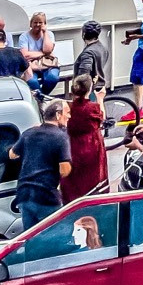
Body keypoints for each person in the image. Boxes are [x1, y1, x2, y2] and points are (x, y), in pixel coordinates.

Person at [8, 98, 72, 233]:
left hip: (24, 194)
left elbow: (12, 154)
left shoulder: (29, 133)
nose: (69, 116)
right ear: (58, 114)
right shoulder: (60, 137)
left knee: (31, 237)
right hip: (45, 195)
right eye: (67, 112)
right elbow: (64, 170)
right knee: (54, 236)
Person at [61, 75, 106, 203]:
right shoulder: (92, 108)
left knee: (74, 179)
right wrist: (100, 99)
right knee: (93, 178)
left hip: (73, 146)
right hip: (92, 146)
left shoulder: (68, 107)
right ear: (89, 90)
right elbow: (101, 118)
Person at [18, 12, 60, 95]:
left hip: (48, 64)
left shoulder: (49, 35)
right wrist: (43, 53)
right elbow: (25, 55)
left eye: (40, 22)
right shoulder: (24, 36)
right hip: (31, 65)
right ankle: (43, 99)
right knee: (32, 81)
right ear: (31, 24)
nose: (37, 24)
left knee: (53, 77)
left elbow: (47, 50)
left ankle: (41, 97)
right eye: (35, 22)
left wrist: (44, 33)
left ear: (44, 24)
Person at [73, 20, 109, 94]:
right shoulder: (102, 48)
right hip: (99, 85)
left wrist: (77, 89)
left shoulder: (88, 53)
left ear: (84, 34)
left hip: (88, 90)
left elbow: (83, 75)